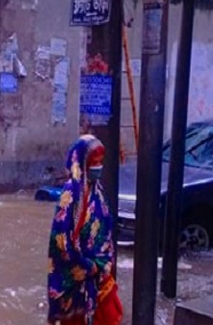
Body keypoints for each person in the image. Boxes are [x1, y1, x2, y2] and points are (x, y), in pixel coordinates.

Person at [46, 135, 123, 325]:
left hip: (100, 270)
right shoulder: (72, 194)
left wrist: (102, 261)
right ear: (83, 163)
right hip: (79, 271)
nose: (99, 167)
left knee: (110, 315)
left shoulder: (96, 190)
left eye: (101, 162)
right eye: (94, 162)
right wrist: (86, 265)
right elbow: (61, 239)